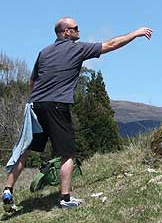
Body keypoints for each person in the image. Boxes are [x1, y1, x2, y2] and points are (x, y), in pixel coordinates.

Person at [2, 17, 152, 211]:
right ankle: (65, 199)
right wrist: (135, 33)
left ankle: (7, 190)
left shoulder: (44, 52)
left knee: (25, 150)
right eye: (76, 28)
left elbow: (32, 83)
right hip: (57, 105)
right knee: (67, 153)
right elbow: (111, 44)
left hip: (35, 105)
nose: (79, 30)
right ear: (66, 32)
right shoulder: (77, 49)